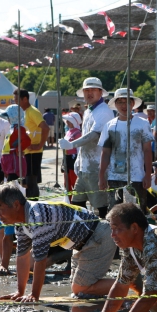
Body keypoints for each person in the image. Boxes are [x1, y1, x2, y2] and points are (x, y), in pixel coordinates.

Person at [0, 183, 117, 300]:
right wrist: (20, 292)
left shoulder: (38, 216)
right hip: (81, 244)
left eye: (0, 209)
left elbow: (41, 261)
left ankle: (124, 285)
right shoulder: (20, 223)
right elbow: (22, 257)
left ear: (16, 205)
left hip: (98, 237)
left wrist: (34, 295)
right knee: (78, 288)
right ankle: (122, 284)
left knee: (80, 289)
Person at [58, 77, 112, 218]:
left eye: (93, 90)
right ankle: (85, 229)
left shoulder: (104, 111)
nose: (89, 93)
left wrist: (72, 144)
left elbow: (94, 135)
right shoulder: (88, 111)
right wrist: (79, 160)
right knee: (77, 203)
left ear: (100, 92)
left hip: (97, 166)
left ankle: (103, 229)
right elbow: (86, 135)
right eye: (86, 90)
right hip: (85, 167)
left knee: (101, 206)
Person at [98, 88, 154, 213]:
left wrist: (148, 175)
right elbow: (105, 153)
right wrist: (101, 176)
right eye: (120, 102)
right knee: (115, 213)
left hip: (136, 177)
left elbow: (147, 150)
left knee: (137, 214)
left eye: (127, 102)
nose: (124, 105)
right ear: (115, 104)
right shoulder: (109, 126)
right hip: (114, 177)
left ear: (133, 104)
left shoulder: (142, 124)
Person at [14, 89, 50, 198]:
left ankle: (33, 205)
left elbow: (46, 128)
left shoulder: (33, 111)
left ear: (25, 99)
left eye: (17, 99)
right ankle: (30, 203)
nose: (15, 102)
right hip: (27, 152)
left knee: (31, 182)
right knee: (26, 182)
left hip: (33, 152)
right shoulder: (26, 112)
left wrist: (40, 145)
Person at [62, 112, 81, 194]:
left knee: (74, 181)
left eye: (69, 121)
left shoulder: (78, 133)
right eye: (67, 121)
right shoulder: (68, 132)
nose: (67, 122)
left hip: (74, 159)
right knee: (67, 182)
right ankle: (68, 198)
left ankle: (75, 199)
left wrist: (78, 161)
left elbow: (79, 148)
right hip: (66, 157)